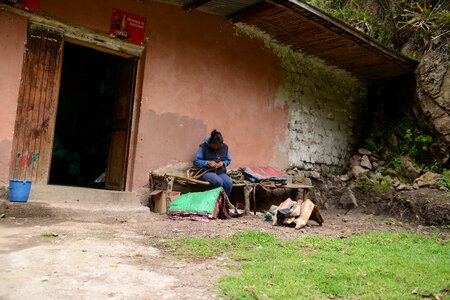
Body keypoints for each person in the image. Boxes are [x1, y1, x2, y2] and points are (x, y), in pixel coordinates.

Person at [193, 129, 233, 197]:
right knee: (218, 181)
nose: (217, 147)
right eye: (215, 145)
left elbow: (228, 160)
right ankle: (214, 202)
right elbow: (196, 161)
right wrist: (207, 162)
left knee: (228, 182)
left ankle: (223, 202)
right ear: (211, 142)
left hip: (220, 172)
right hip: (206, 172)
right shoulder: (204, 147)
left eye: (219, 145)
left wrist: (223, 163)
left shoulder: (225, 147)